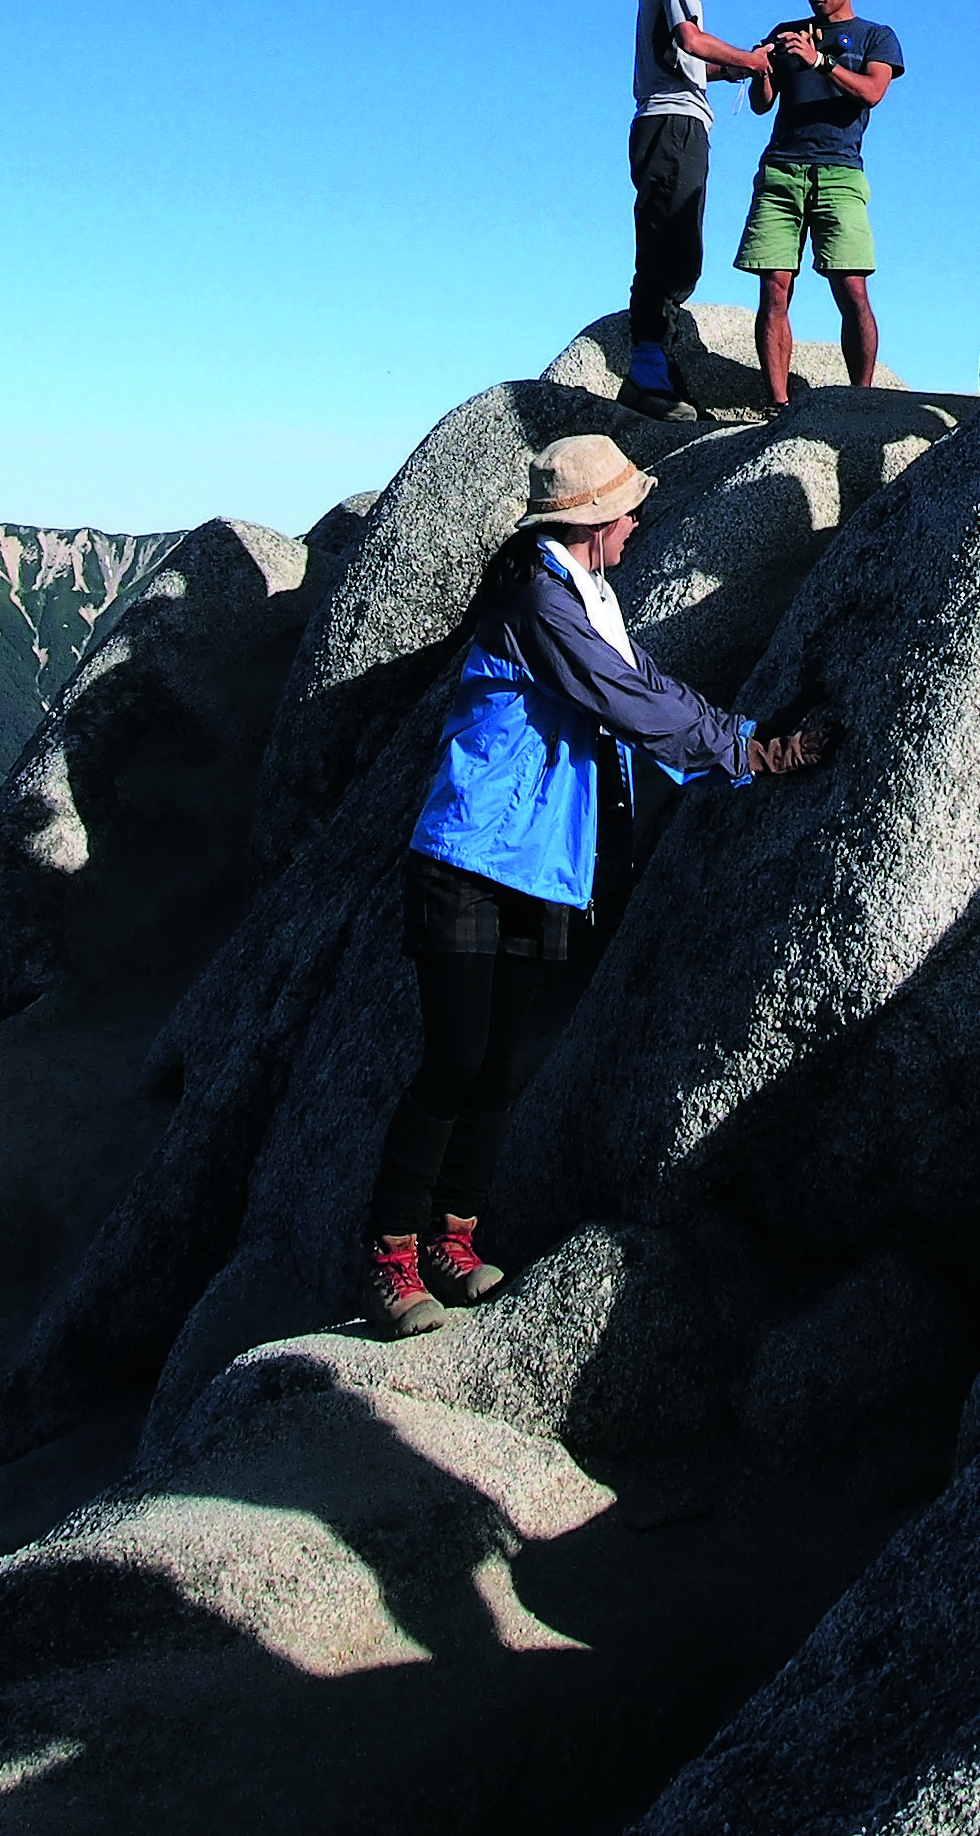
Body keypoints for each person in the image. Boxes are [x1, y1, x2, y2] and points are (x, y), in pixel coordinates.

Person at [368, 432, 836, 1335]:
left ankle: (452, 1244)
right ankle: (390, 1258)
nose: (637, 519)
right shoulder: (542, 602)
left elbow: (643, 681)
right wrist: (749, 750)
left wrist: (739, 736)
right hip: (469, 860)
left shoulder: (587, 596)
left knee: (498, 1065)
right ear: (592, 521)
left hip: (538, 864)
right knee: (455, 1060)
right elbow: (623, 701)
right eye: (628, 509)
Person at [625, 0, 778, 417]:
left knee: (677, 247)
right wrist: (752, 61)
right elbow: (691, 40)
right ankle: (646, 373)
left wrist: (731, 68)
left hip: (676, 120)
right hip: (672, 123)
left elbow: (684, 57)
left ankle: (655, 367)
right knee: (670, 247)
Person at [738, 0, 904, 408]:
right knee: (774, 286)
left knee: (851, 286)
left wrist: (820, 60)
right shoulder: (786, 29)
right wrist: (763, 66)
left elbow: (873, 92)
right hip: (781, 170)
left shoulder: (876, 35)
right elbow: (760, 105)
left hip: (840, 171)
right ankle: (776, 403)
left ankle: (860, 401)